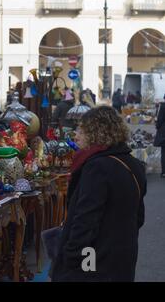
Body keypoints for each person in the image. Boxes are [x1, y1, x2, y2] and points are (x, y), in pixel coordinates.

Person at [51, 106, 147, 282]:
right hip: (123, 255)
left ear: (96, 132)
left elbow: (85, 219)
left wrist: (70, 258)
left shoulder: (98, 167)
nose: (76, 135)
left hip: (95, 259)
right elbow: (139, 217)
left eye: (81, 130)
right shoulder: (133, 164)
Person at [154, 95, 165, 178]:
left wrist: (157, 126)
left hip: (164, 132)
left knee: (164, 153)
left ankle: (164, 172)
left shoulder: (163, 106)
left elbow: (159, 120)